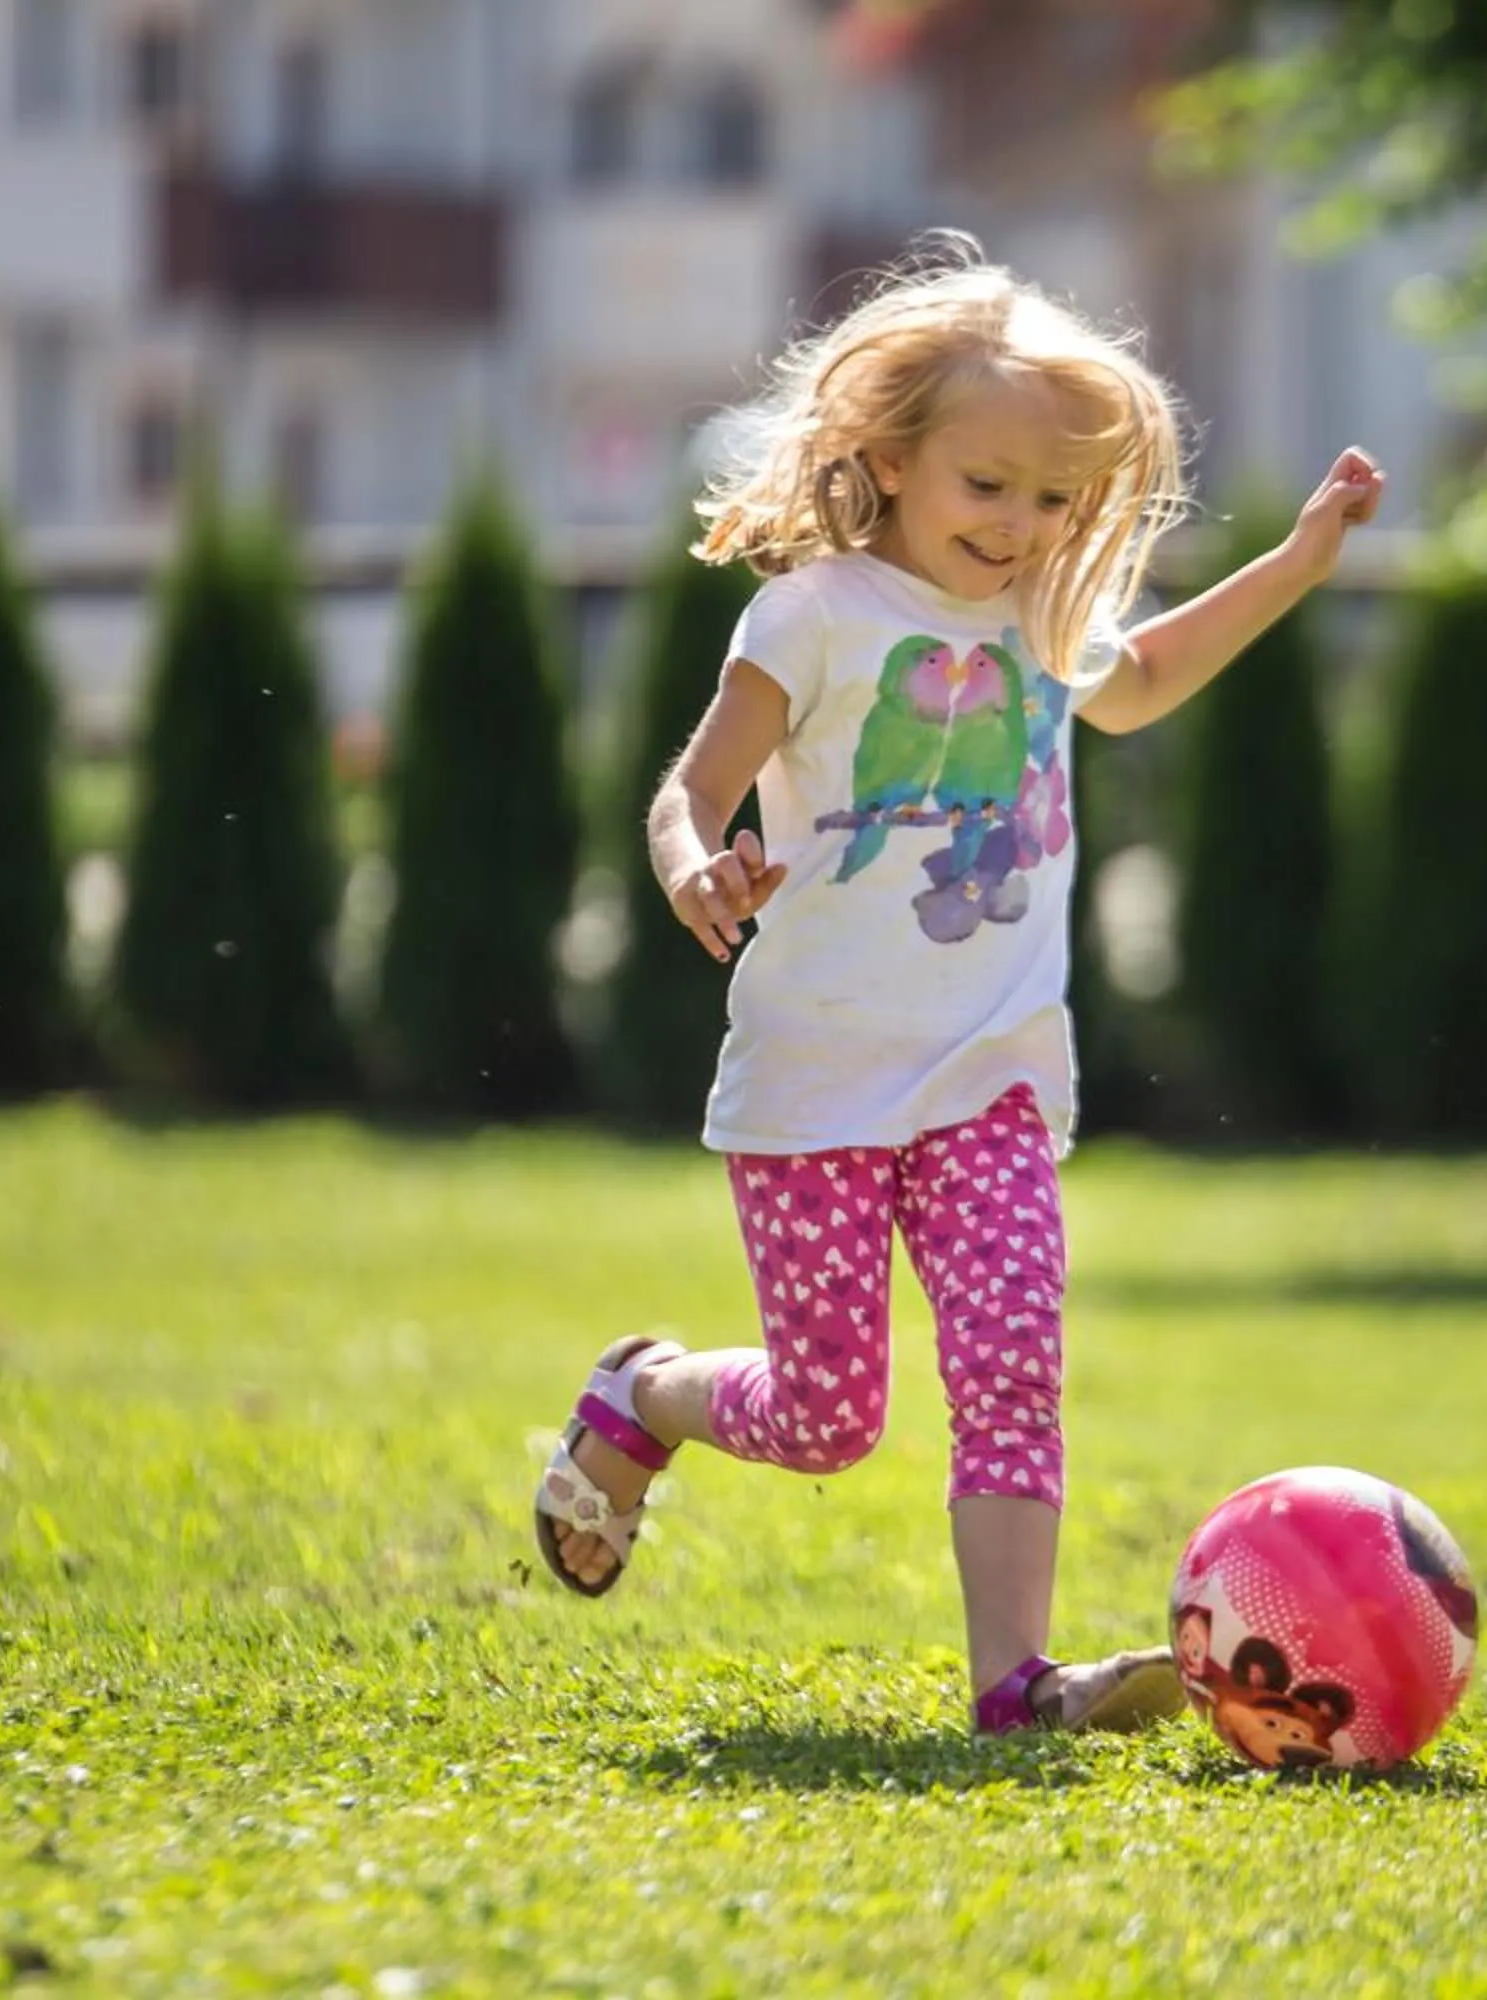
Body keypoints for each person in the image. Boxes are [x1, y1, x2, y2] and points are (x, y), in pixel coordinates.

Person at [530, 239, 1386, 1736]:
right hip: (816, 1085)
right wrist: (693, 864)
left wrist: (1298, 560)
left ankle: (1016, 1683)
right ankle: (645, 1395)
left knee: (1013, 1366)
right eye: (987, 485)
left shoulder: (1046, 630)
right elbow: (692, 789)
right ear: (892, 456)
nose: (1021, 524)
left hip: (991, 1074)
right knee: (826, 1419)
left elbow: (1150, 677)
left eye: (1056, 499)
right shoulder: (813, 616)